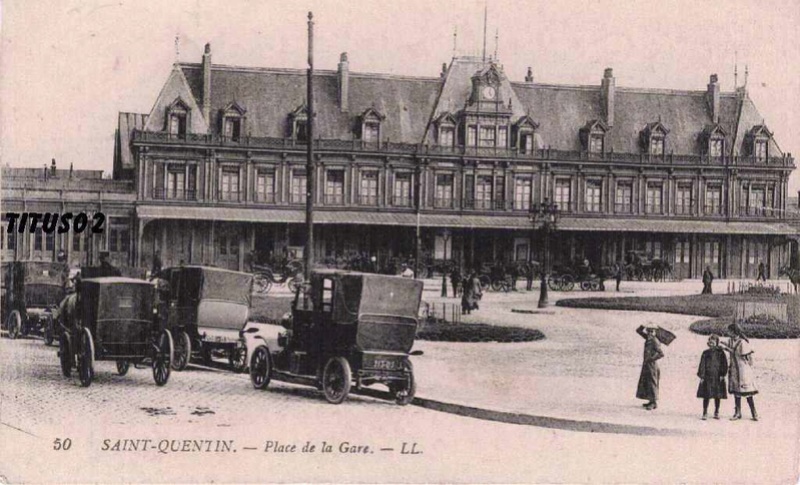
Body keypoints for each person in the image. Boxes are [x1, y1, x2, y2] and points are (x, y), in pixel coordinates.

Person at [720, 323, 759, 421]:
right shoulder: (731, 340)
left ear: (734, 332)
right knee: (737, 392)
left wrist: (726, 348)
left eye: (729, 331)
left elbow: (741, 354)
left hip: (743, 370)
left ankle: (754, 412)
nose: (728, 333)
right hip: (734, 369)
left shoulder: (742, 342)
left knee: (747, 392)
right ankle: (737, 412)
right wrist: (721, 343)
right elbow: (729, 346)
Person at [696, 334, 728, 420]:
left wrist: (722, 374)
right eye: (710, 341)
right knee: (706, 395)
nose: (711, 343)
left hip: (717, 377)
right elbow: (702, 364)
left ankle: (716, 411)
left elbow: (724, 364)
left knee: (717, 395)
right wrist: (702, 376)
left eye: (713, 341)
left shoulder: (721, 353)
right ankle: (705, 412)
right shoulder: (705, 353)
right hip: (707, 377)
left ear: (717, 342)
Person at [636, 325, 664, 410]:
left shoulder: (655, 341)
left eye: (652, 331)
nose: (650, 333)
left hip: (652, 365)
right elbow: (638, 331)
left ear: (655, 332)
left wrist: (650, 359)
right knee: (647, 382)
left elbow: (661, 354)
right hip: (647, 364)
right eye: (648, 331)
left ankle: (653, 402)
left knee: (652, 383)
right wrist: (644, 325)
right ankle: (651, 401)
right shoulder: (648, 339)